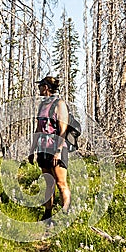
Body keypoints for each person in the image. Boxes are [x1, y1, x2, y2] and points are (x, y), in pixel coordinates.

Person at [28, 75, 71, 221]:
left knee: (60, 183)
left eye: (40, 86)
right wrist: (32, 150)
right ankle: (48, 215)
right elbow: (38, 130)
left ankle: (65, 214)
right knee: (48, 183)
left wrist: (58, 152)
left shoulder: (59, 104)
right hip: (43, 149)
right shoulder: (42, 106)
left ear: (46, 87)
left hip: (56, 149)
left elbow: (63, 130)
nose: (39, 89)